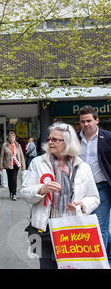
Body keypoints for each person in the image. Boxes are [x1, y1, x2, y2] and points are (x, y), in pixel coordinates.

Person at [21, 122, 100, 269]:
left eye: (55, 139)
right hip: (43, 228)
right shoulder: (38, 163)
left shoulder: (83, 167)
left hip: (71, 230)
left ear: (68, 142)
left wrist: (82, 205)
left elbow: (94, 198)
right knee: (45, 265)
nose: (50, 142)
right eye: (49, 138)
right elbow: (24, 192)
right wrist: (41, 189)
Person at [78, 105, 111, 264]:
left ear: (97, 120)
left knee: (100, 226)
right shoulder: (75, 139)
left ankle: (99, 263)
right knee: (85, 224)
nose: (86, 124)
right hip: (81, 190)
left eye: (89, 120)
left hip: (102, 187)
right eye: (83, 121)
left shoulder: (108, 137)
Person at [0, 131, 26, 201]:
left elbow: (21, 156)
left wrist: (23, 165)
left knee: (14, 179)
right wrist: (1, 165)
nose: (11, 139)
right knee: (10, 180)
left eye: (13, 137)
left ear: (15, 138)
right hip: (8, 165)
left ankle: (14, 194)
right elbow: (2, 156)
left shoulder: (18, 145)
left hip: (16, 165)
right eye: (10, 137)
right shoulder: (5, 145)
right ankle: (11, 191)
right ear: (8, 138)